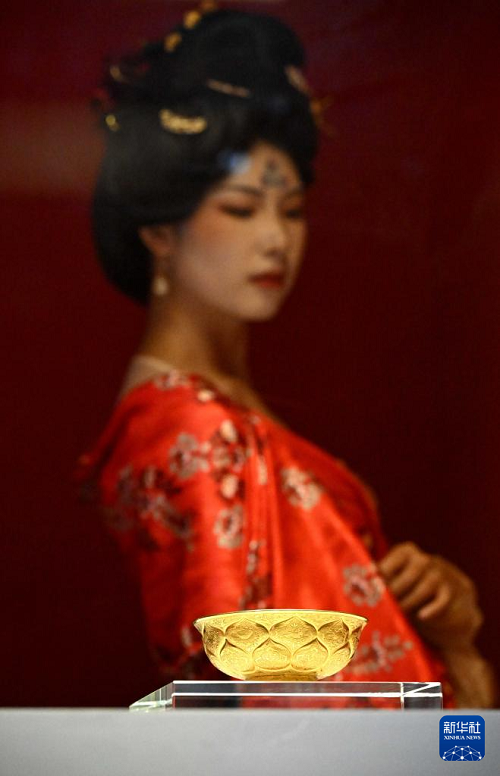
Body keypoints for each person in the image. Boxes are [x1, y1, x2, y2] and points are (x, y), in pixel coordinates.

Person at [78, 3, 495, 707]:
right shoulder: (195, 434)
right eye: (242, 209)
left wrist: (454, 637)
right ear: (160, 233)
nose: (276, 239)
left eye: (292, 210)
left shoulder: (226, 416)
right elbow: (260, 703)